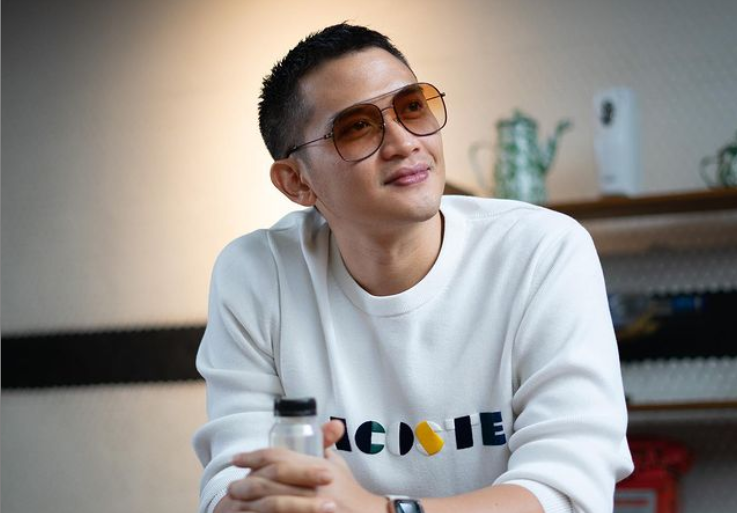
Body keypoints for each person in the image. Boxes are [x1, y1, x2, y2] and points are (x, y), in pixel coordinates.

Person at [193, 22, 633, 513]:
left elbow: (567, 491)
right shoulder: (258, 273)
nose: (405, 142)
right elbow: (232, 483)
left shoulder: (541, 250)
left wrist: (379, 509)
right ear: (297, 182)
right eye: (357, 127)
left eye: (412, 107)